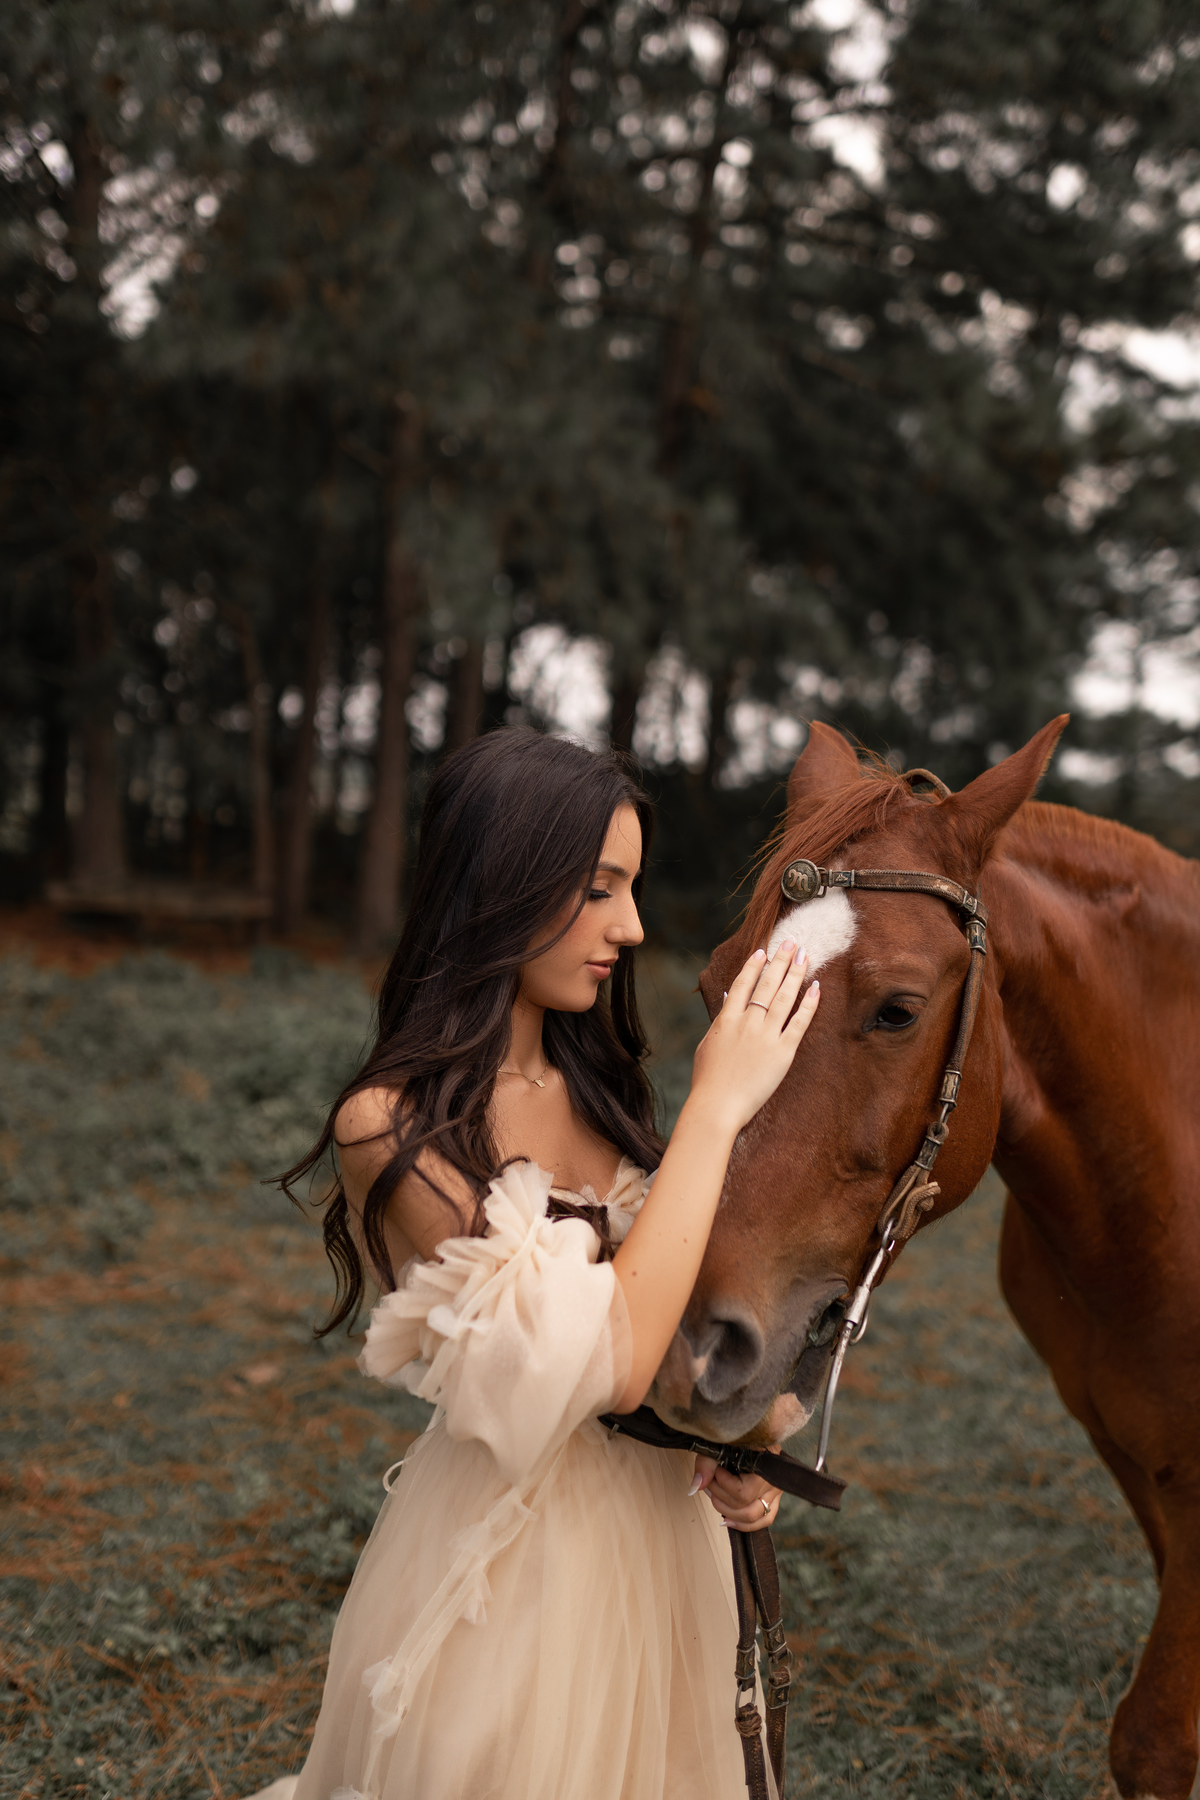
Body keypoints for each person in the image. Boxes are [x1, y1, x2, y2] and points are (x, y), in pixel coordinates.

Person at [247, 728, 819, 1800]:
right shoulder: (390, 1126)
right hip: (510, 1572)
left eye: (631, 889)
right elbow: (606, 1360)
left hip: (667, 1548)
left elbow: (680, 1315)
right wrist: (717, 1107)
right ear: (499, 885)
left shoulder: (601, 1092)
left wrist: (736, 1438)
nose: (631, 927)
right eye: (599, 889)